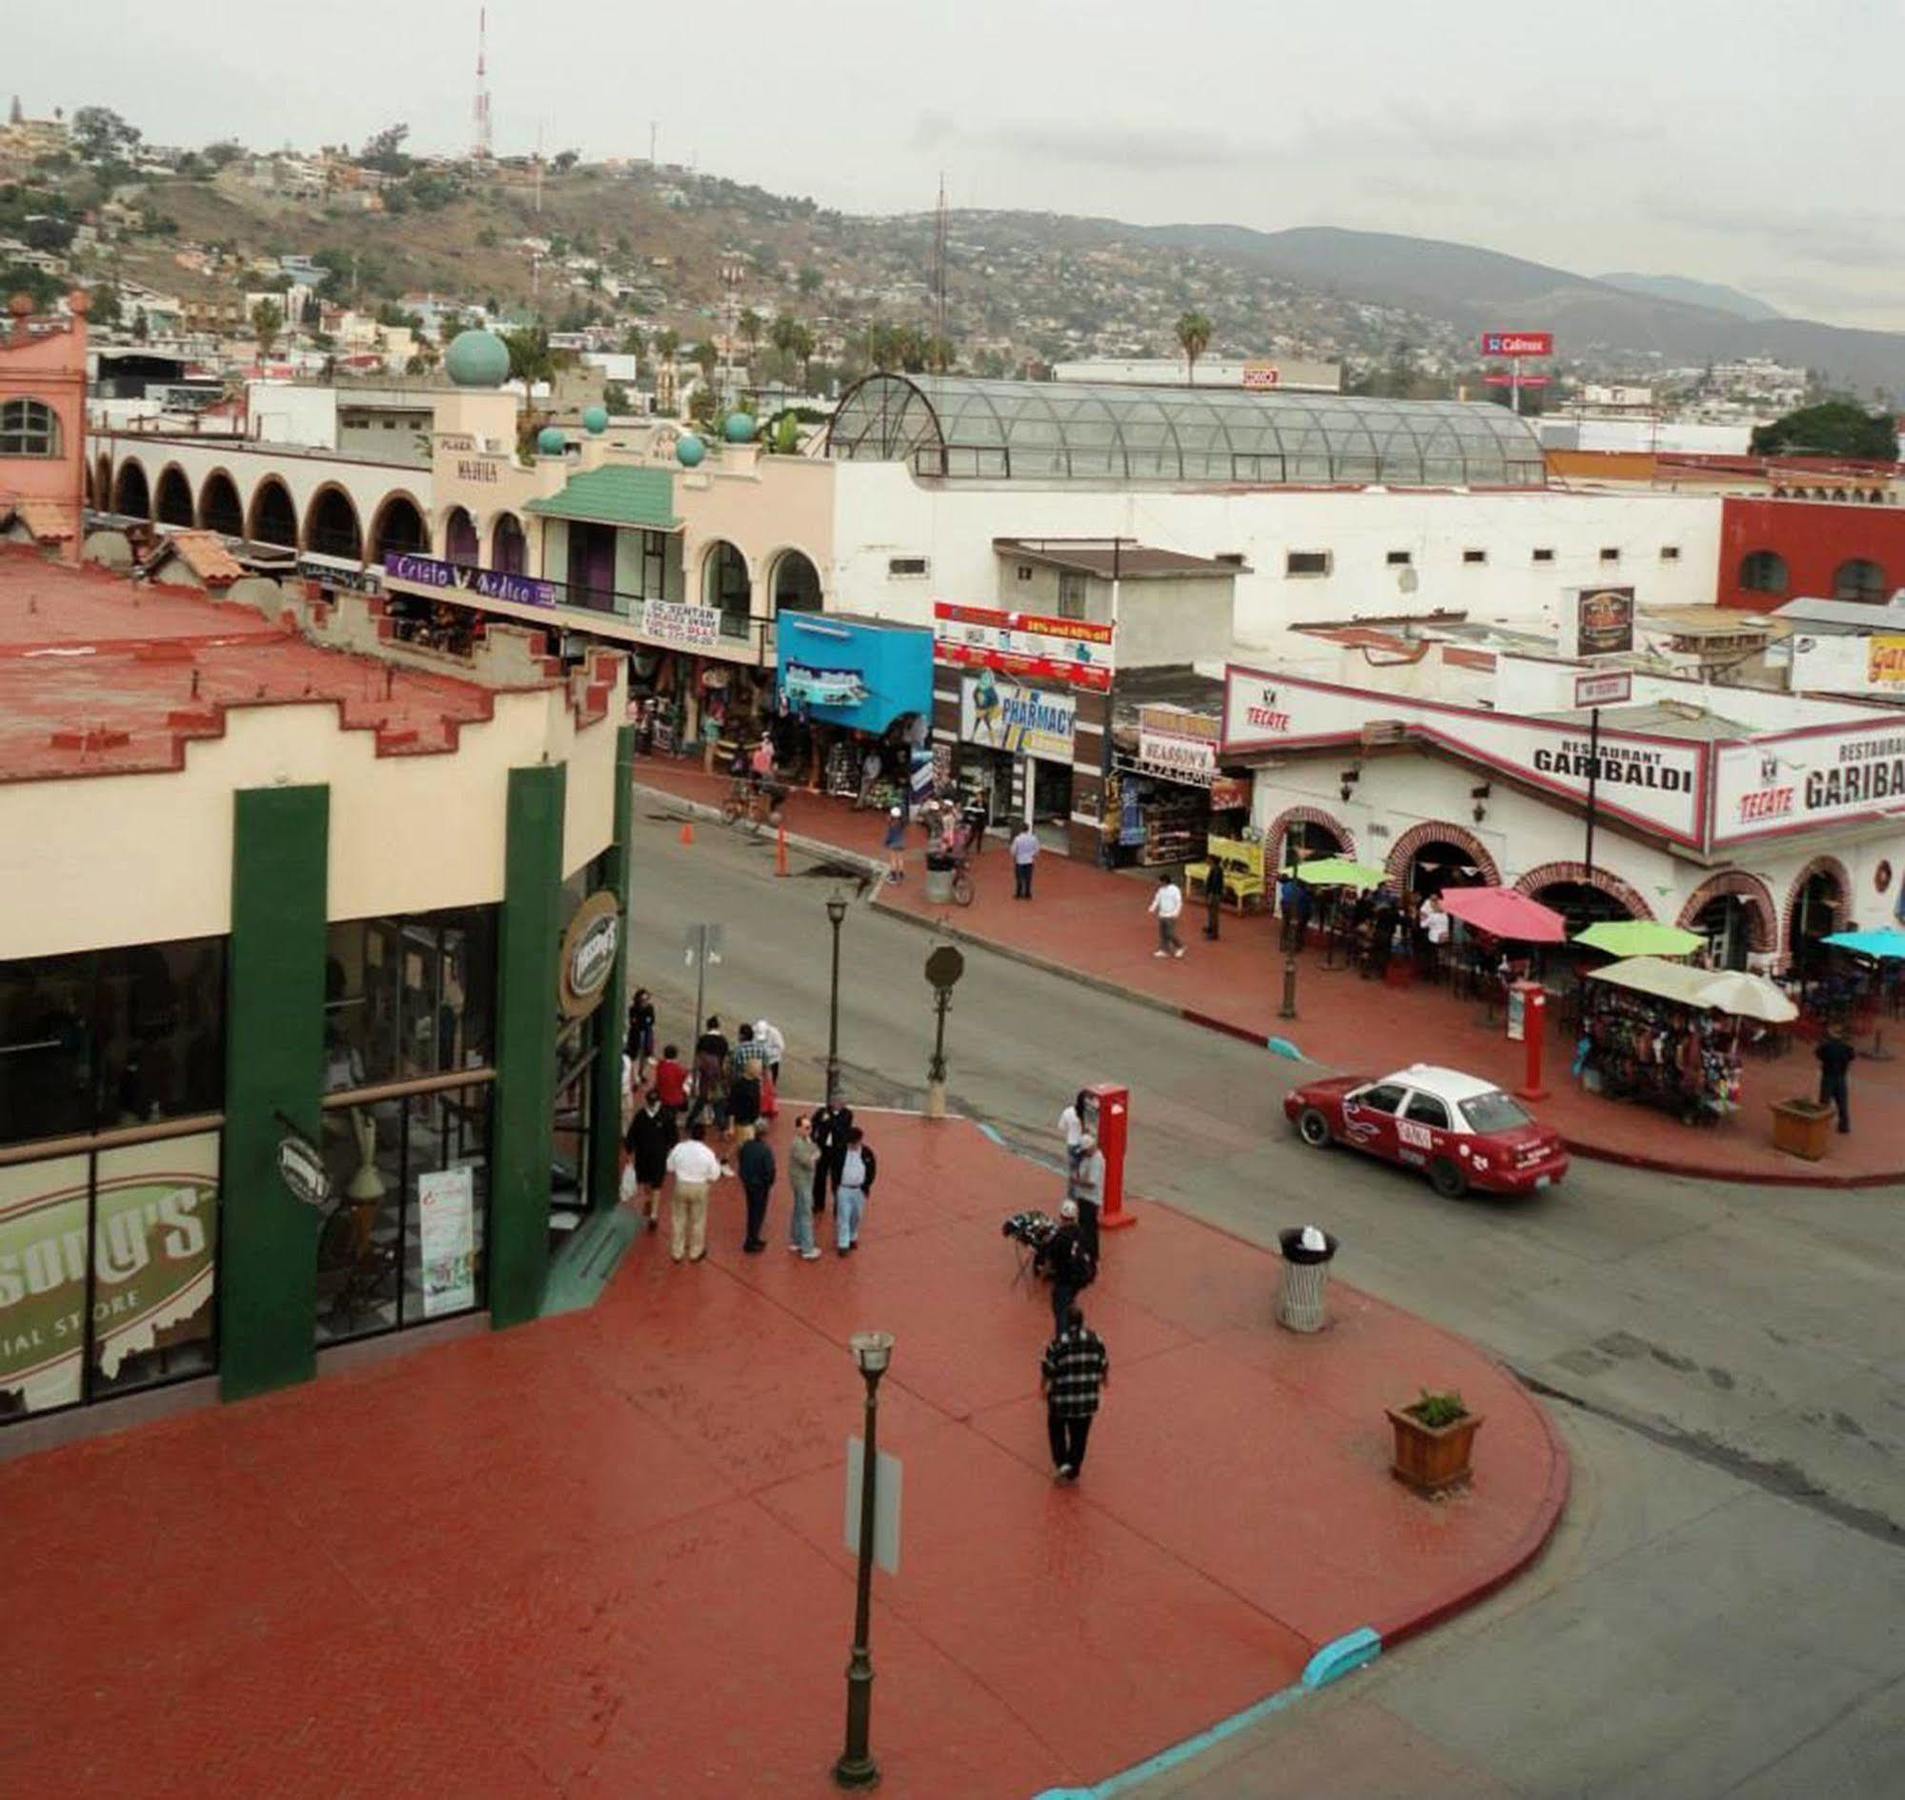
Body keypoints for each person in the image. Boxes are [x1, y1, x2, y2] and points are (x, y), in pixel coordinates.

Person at [1041, 1304, 1110, 1483]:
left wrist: (1043, 1388)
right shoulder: (1097, 1340)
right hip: (1087, 1401)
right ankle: (1074, 1469)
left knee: (1056, 1429)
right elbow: (1103, 1365)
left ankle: (1062, 1462)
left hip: (1062, 1399)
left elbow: (1048, 1369)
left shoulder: (1057, 1344)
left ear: (1067, 1321)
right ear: (1082, 1321)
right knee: (1080, 1435)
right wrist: (1103, 1380)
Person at [664, 1120, 722, 1264]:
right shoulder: (708, 1152)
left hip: (681, 1184)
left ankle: (677, 1252)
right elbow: (715, 1175)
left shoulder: (679, 1148)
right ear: (704, 1136)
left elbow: (669, 1167)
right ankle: (695, 1252)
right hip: (699, 1187)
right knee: (698, 1221)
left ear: (690, 1134)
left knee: (678, 1219)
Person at [1037, 1198, 1096, 1334]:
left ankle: (1062, 1338)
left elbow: (1049, 1261)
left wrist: (1042, 1276)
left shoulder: (1059, 1238)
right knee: (1070, 1301)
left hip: (1065, 1279)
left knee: (1060, 1310)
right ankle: (1074, 1328)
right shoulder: (1080, 1233)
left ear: (1062, 1216)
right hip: (1080, 1277)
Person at [624, 1086, 676, 1229]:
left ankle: (654, 1215)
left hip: (658, 1157)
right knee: (646, 1183)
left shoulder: (665, 1116)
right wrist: (629, 1152)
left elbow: (672, 1136)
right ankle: (650, 1200)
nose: (654, 1104)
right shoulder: (641, 1116)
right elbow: (632, 1135)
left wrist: (672, 1151)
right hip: (643, 1156)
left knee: (657, 1184)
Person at [834, 1124, 877, 1255]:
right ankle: (843, 1243)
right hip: (844, 1188)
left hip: (859, 1190)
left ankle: (853, 1236)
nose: (852, 1145)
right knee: (844, 1215)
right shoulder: (841, 1151)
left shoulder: (867, 1153)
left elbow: (872, 1171)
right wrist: (836, 1185)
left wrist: (866, 1186)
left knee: (856, 1216)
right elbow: (834, 1169)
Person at [737, 1121, 776, 1252]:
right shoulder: (765, 1150)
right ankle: (751, 1240)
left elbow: (741, 1161)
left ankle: (753, 1238)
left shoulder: (746, 1146)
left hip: (749, 1184)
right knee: (758, 1213)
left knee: (752, 1211)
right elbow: (770, 1170)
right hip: (760, 1185)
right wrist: (768, 1182)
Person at [811, 1095, 853, 1215]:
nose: (838, 1104)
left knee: (837, 1179)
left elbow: (841, 1128)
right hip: (823, 1149)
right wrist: (814, 1139)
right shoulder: (822, 1111)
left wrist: (829, 1121)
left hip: (838, 1151)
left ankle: (837, 1206)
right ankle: (818, 1204)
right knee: (819, 1177)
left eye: (841, 1102)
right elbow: (814, 1123)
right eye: (836, 1101)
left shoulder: (847, 1114)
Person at [787, 1114, 821, 1259]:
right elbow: (809, 1161)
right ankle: (807, 1247)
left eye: (810, 1127)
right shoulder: (798, 1144)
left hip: (803, 1181)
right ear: (798, 1128)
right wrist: (813, 1155)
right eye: (807, 1127)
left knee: (798, 1210)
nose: (810, 1130)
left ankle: (796, 1240)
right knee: (806, 1213)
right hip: (802, 1182)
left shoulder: (806, 1141)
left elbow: (817, 1151)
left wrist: (813, 1154)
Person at [1070, 1132, 1107, 1260]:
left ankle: (1091, 1253)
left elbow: (1092, 1182)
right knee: (1083, 1226)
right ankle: (1085, 1250)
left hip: (1090, 1199)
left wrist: (1077, 1181)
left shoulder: (1096, 1160)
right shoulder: (1087, 1157)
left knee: (1089, 1228)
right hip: (1083, 1197)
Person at [729, 1023, 769, 1140]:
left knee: (739, 1108)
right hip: (757, 1084)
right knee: (755, 1108)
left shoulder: (738, 1050)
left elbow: (734, 1069)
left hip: (742, 1083)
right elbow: (766, 1068)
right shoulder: (761, 1049)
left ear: (741, 1036)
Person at [692, 1016, 731, 1133]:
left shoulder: (703, 1039)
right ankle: (721, 1123)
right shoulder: (723, 1040)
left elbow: (697, 1055)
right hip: (717, 1072)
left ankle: (691, 1119)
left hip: (705, 1072)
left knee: (703, 1097)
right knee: (718, 1098)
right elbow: (725, 1057)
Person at [1816, 1025, 1856, 1133]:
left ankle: (1822, 1125)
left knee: (1824, 1102)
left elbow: (1818, 1054)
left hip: (1828, 1077)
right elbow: (1852, 1057)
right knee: (1842, 1103)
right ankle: (1844, 1126)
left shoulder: (1826, 1046)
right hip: (1841, 1078)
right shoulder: (1847, 1047)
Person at [1149, 873, 1186, 959]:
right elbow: (1157, 899)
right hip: (1162, 914)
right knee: (1163, 934)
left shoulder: (1174, 890)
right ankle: (1164, 950)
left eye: (1160, 881)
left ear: (1165, 881)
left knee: (1170, 933)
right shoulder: (1160, 890)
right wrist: (1152, 908)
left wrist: (1176, 913)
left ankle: (1180, 947)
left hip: (1171, 915)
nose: (1159, 883)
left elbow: (1179, 902)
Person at [625, 988, 657, 1079]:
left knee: (646, 1054)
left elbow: (652, 1020)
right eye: (643, 1000)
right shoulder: (633, 1009)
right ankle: (635, 1076)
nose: (645, 1002)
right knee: (634, 1055)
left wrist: (643, 1023)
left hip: (646, 1033)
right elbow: (633, 1022)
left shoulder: (649, 1008)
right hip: (636, 1033)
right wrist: (644, 1022)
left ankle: (642, 1073)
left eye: (646, 1000)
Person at [653, 1043, 689, 1119]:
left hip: (662, 1096)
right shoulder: (679, 1070)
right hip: (675, 1099)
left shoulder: (660, 1066)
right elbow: (682, 1082)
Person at [1011, 821, 1041, 900]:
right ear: (1028, 829)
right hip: (1029, 861)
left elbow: (1013, 850)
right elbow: (1037, 850)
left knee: (1019, 878)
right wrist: (1033, 855)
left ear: (1020, 829)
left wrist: (1015, 856)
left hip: (1020, 861)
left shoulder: (1017, 839)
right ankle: (1027, 893)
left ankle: (1018, 893)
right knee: (1028, 878)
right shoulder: (1033, 838)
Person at [754, 1017, 786, 1084]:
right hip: (759, 1058)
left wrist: (768, 1053)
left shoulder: (775, 1033)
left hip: (773, 1059)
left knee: (772, 1076)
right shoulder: (754, 1030)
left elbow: (781, 1047)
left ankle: (772, 1084)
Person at [883, 805, 907, 885]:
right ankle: (901, 874)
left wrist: (886, 842)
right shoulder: (902, 823)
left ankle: (893, 876)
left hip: (893, 843)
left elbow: (890, 835)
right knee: (900, 859)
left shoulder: (892, 825)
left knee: (893, 859)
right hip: (901, 842)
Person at [1203, 858, 1225, 941]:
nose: (1206, 861)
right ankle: (1210, 927)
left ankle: (1214, 933)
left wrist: (1210, 895)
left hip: (1214, 895)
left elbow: (1214, 884)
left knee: (1213, 914)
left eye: (1208, 860)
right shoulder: (1215, 869)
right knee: (1210, 912)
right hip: (1213, 894)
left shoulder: (1216, 870)